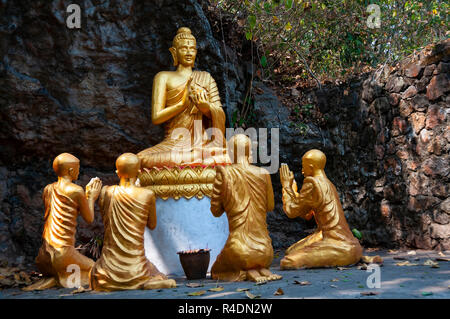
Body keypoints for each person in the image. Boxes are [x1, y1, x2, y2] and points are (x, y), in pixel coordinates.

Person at [137, 27, 229, 168]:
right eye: (184, 48)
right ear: (174, 52)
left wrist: (206, 108)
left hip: (202, 143)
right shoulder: (163, 77)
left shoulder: (206, 78)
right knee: (139, 159)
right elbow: (156, 117)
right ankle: (197, 158)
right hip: (172, 144)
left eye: (192, 49)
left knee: (228, 154)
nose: (188, 52)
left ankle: (198, 157)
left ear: (196, 52)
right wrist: (182, 104)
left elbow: (220, 114)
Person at [89, 153, 176, 291]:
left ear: (117, 173)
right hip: (137, 269)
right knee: (159, 276)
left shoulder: (106, 192)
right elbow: (152, 225)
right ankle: (146, 282)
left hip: (106, 272)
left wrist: (90, 197)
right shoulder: (147, 194)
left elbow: (104, 219)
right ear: (140, 172)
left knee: (93, 272)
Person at [23, 153, 102, 290]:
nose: (79, 171)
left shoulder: (48, 189)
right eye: (78, 168)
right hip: (63, 255)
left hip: (44, 256)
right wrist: (91, 196)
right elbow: (89, 218)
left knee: (74, 265)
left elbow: (67, 213)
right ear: (71, 171)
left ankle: (56, 277)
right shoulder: (76, 191)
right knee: (96, 268)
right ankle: (65, 278)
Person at [209, 134, 282, 283]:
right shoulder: (263, 173)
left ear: (231, 152)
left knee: (217, 270)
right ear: (250, 152)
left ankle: (249, 272)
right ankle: (260, 270)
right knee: (255, 258)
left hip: (240, 252)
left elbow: (215, 211)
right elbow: (270, 206)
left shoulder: (224, 173)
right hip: (265, 251)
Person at [279, 149, 363, 269]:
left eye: (304, 167)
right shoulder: (328, 183)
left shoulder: (312, 183)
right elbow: (306, 214)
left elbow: (291, 211)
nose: (302, 171)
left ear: (311, 167)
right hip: (338, 239)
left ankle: (343, 255)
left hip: (338, 243)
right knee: (290, 251)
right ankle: (352, 254)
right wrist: (292, 191)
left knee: (288, 262)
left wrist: (286, 186)